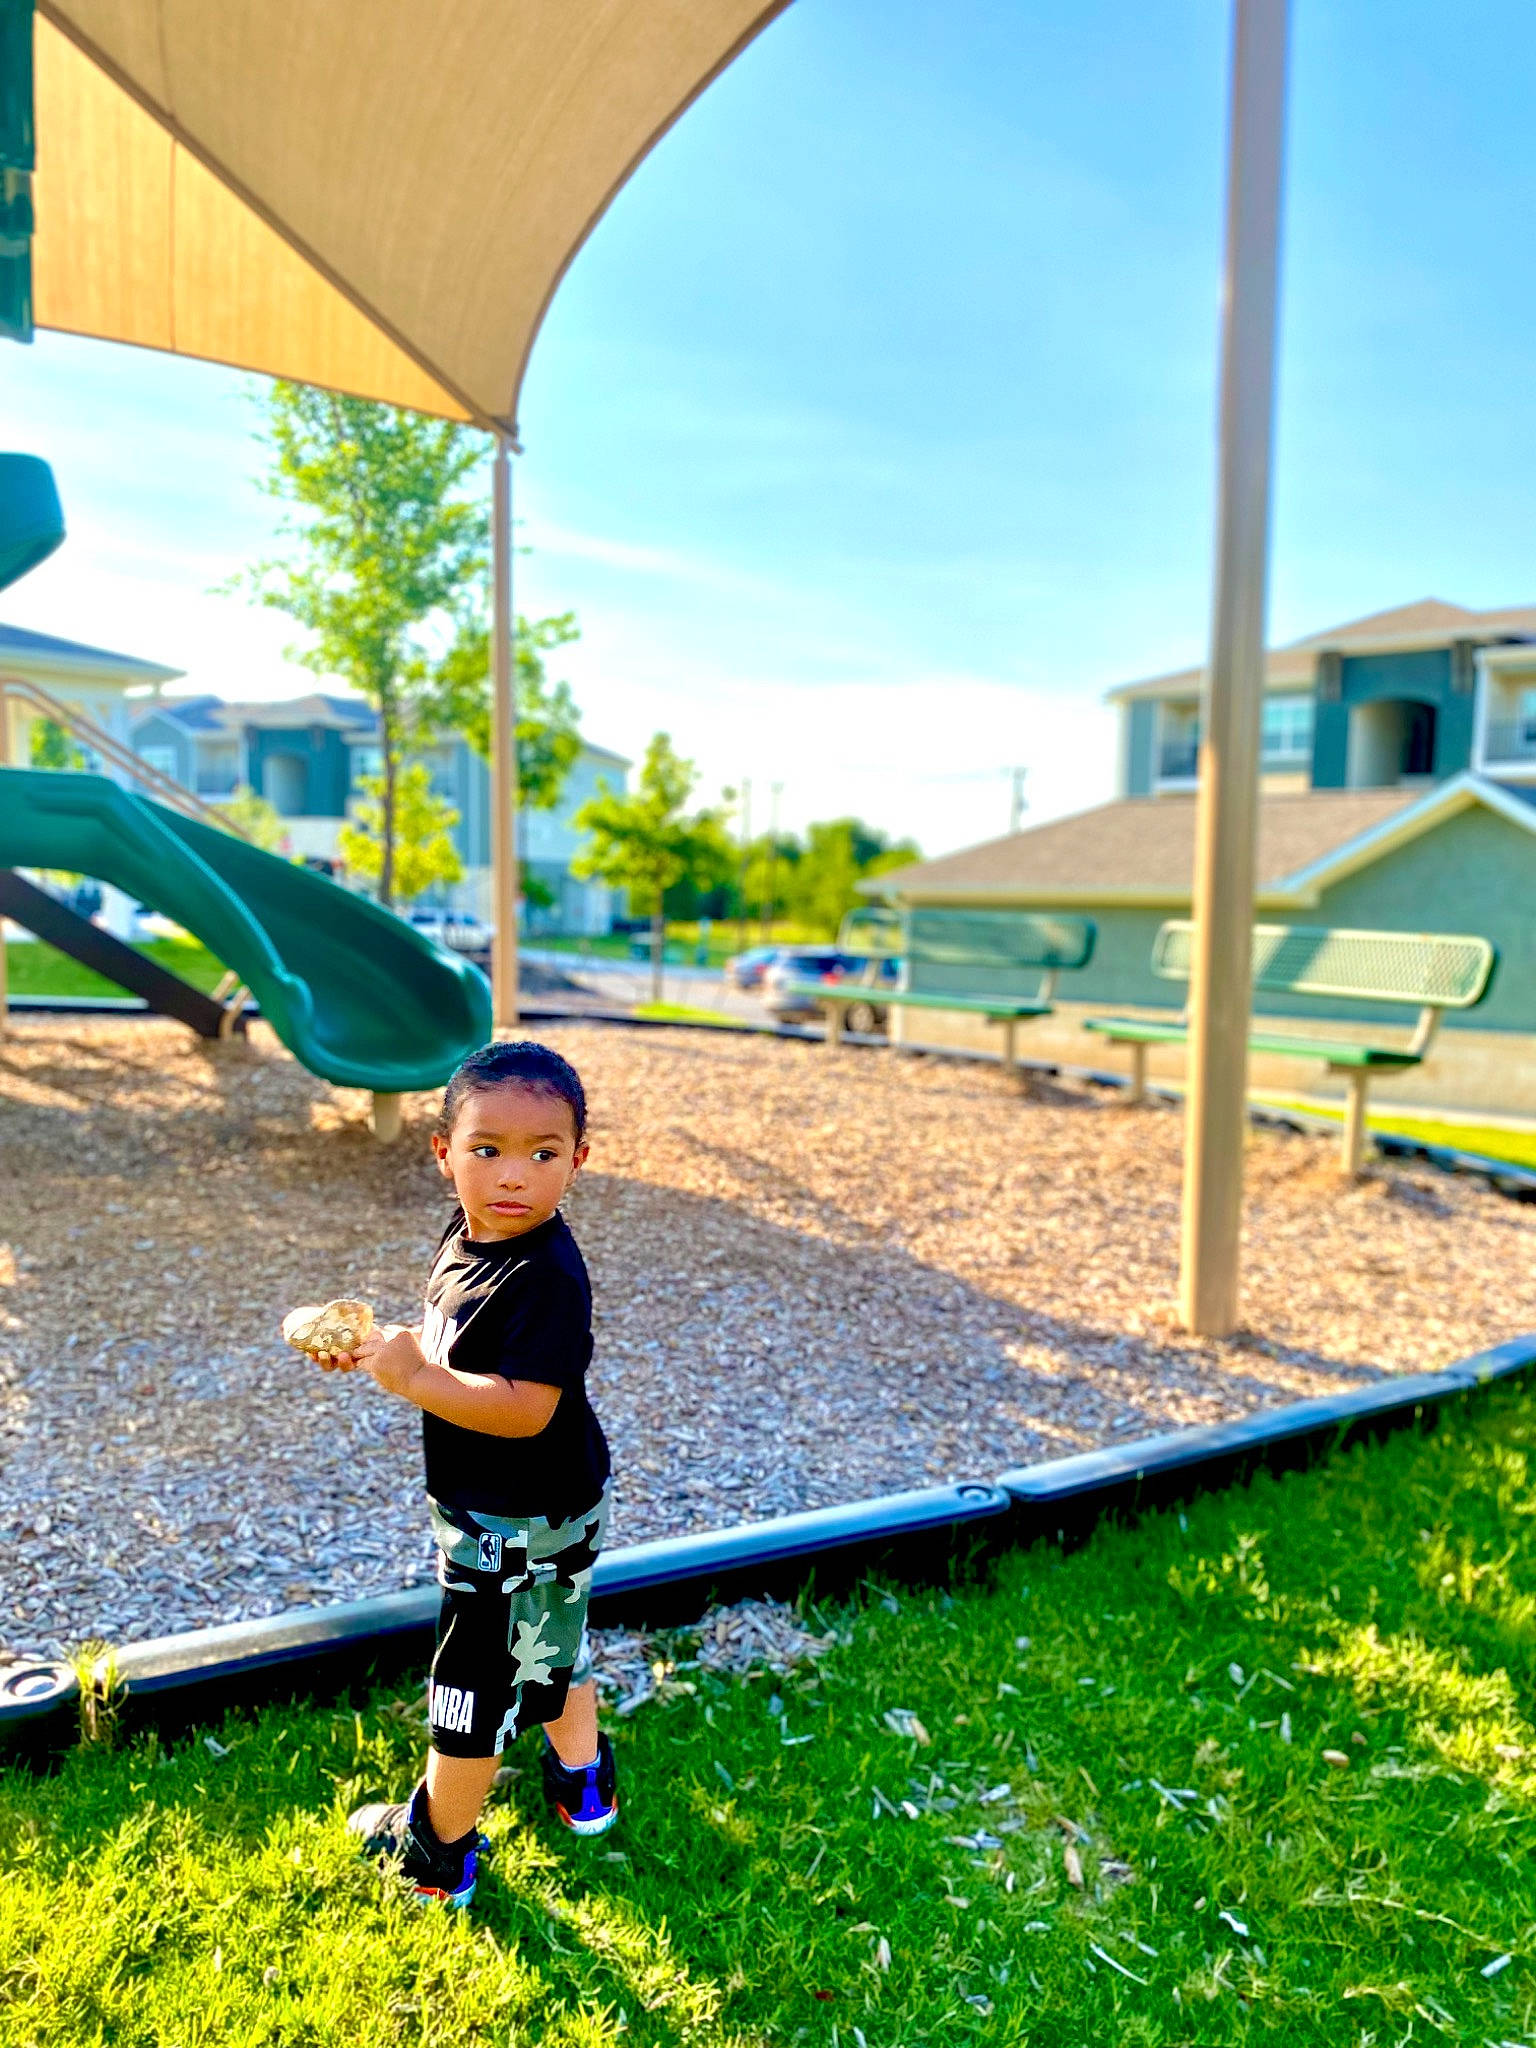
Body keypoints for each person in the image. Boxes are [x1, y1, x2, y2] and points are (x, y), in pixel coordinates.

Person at [296, 1039, 616, 1907]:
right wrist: (381, 1353)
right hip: (546, 1505)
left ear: (577, 1160)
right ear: (444, 1154)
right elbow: (450, 1344)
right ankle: (584, 1785)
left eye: (543, 1154)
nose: (514, 1175)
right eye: (487, 1150)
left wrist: (418, 1381)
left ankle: (439, 1855)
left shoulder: (546, 1275)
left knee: (470, 1685)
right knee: (551, 1642)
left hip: (515, 1515)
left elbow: (525, 1407)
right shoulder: (470, 1234)